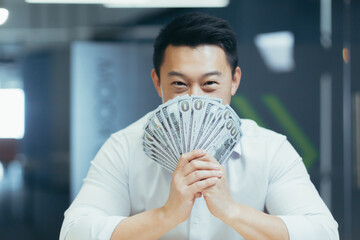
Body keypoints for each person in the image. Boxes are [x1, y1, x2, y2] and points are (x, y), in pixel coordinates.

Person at [60, 12, 339, 240]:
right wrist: (167, 214)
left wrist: (232, 211)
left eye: (209, 84)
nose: (195, 99)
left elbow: (323, 233)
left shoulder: (270, 148)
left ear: (234, 81)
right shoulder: (125, 146)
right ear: (158, 82)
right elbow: (74, 232)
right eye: (179, 84)